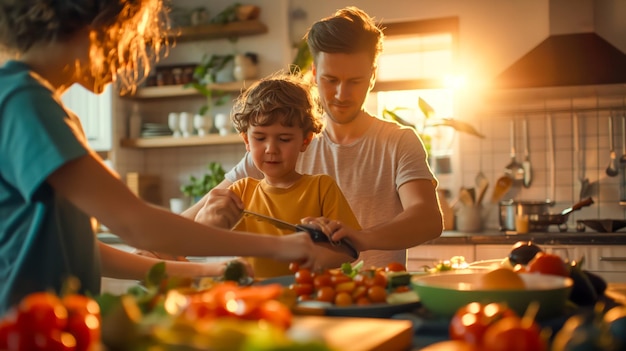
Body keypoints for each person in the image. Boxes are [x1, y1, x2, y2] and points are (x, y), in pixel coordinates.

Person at [0, 0, 319, 313]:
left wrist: (206, 271)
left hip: (50, 323)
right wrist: (281, 245)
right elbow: (135, 223)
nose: (129, 58)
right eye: (130, 37)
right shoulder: (26, 103)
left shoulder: (32, 102)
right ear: (98, 26)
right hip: (24, 325)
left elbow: (81, 250)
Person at [184, 6, 444, 269]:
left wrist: (360, 238)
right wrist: (155, 249)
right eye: (331, 80)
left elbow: (428, 219)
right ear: (315, 75)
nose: (342, 94)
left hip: (375, 295)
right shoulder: (285, 140)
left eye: (355, 81)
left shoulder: (398, 141)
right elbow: (194, 218)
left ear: (373, 77)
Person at [226, 72, 362, 278]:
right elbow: (207, 239)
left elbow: (350, 249)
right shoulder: (239, 192)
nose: (271, 149)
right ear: (246, 140)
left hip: (310, 295)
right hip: (256, 298)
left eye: (284, 139)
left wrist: (316, 257)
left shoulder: (321, 188)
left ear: (305, 141)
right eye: (260, 137)